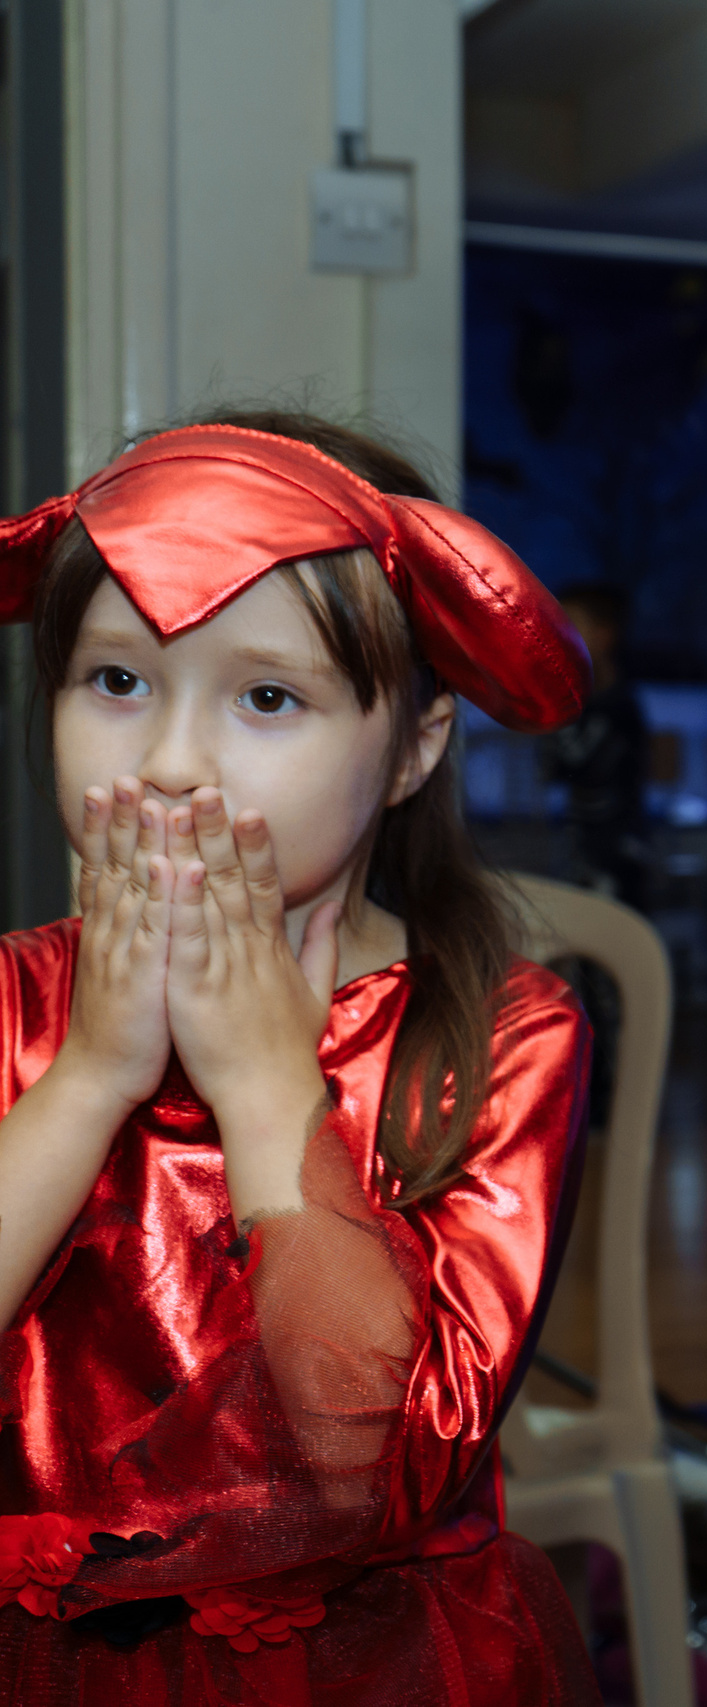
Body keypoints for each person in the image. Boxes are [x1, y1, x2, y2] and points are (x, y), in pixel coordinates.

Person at [0, 414, 599, 1701]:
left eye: (267, 698)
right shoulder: (13, 1003)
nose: (170, 764)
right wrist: (91, 1076)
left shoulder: (499, 1034)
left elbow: (370, 1460)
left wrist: (270, 1090)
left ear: (416, 747)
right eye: (116, 682)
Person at [539, 581, 653, 908]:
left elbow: (577, 764)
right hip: (581, 848)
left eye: (569, 624)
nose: (558, 634)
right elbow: (553, 769)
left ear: (604, 636)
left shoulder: (618, 708)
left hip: (617, 854)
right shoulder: (583, 703)